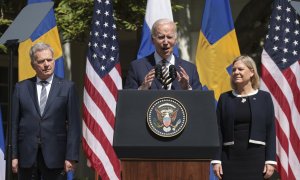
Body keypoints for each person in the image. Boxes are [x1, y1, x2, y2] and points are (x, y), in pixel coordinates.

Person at [11, 42, 81, 180]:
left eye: (49, 60)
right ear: (33, 65)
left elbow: (74, 125)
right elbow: (14, 124)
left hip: (56, 155)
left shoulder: (67, 87)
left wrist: (71, 157)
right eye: (41, 61)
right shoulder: (21, 88)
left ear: (54, 61)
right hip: (27, 156)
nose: (46, 64)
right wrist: (13, 155)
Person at [212, 55, 276, 180]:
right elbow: (217, 130)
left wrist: (270, 160)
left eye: (240, 69)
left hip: (257, 159)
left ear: (252, 72)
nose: (236, 72)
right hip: (229, 158)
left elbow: (270, 129)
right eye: (234, 70)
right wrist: (216, 160)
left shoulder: (265, 97)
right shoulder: (225, 98)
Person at [124, 18, 202, 90]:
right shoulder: (137, 67)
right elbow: (127, 101)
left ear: (175, 40)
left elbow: (200, 101)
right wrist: (142, 89)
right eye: (161, 37)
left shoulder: (190, 69)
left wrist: (187, 89)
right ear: (152, 40)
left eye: (169, 37)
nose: (165, 42)